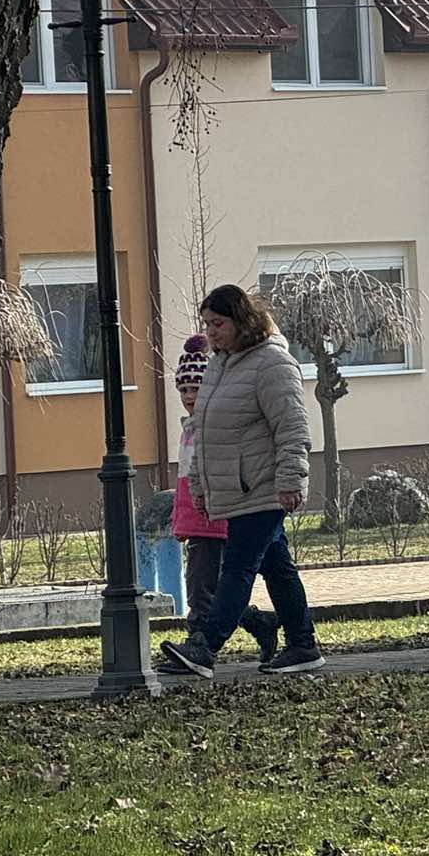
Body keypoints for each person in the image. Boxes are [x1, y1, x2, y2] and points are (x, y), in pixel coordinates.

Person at [157, 286, 322, 678]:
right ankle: (302, 645)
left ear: (242, 320)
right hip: (236, 487)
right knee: (277, 567)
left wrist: (291, 480)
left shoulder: (272, 363)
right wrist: (200, 486)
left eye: (218, 323)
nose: (211, 333)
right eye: (207, 324)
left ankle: (205, 646)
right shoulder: (220, 364)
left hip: (262, 486)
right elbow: (204, 430)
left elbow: (292, 427)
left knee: (237, 568)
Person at [160, 332, 277, 669]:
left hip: (214, 518)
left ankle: (196, 646)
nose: (188, 396)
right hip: (197, 520)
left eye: (195, 389)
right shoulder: (189, 429)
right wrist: (181, 520)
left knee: (201, 590)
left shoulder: (211, 427)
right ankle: (257, 622)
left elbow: (212, 476)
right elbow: (186, 483)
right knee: (213, 589)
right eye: (183, 390)